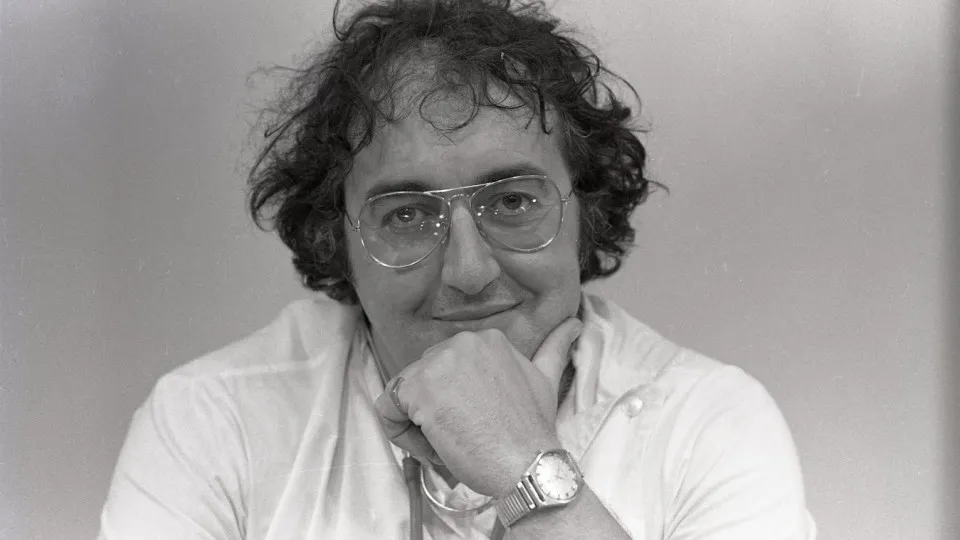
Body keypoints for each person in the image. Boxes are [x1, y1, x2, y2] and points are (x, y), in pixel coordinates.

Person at [98, 0, 816, 538]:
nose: (469, 271)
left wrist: (523, 467)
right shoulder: (211, 420)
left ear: (587, 210)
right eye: (407, 214)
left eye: (512, 202)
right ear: (335, 237)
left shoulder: (710, 422)